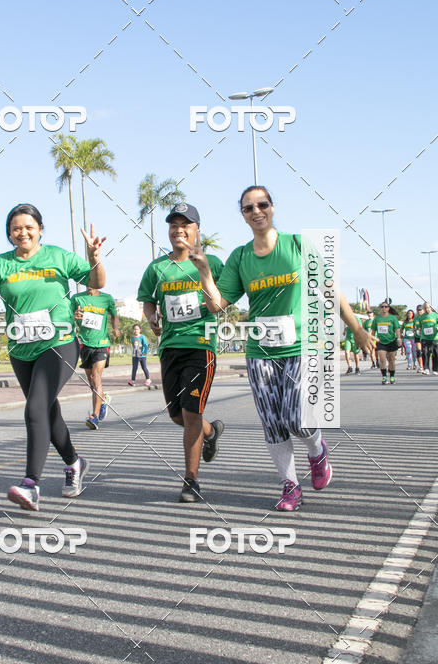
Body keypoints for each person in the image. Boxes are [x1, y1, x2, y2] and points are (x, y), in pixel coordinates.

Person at [190, 185, 372, 512]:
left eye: (262, 204)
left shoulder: (298, 245)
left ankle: (317, 450)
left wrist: (357, 329)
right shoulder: (241, 257)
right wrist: (204, 271)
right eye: (249, 207)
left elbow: (331, 289)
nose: (256, 211)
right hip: (261, 351)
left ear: (272, 208)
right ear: (243, 215)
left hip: (302, 345)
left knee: (297, 418)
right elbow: (218, 305)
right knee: (273, 423)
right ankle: (290, 486)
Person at [0, 204, 106, 510]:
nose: (23, 232)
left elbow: (97, 281)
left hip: (59, 343)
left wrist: (94, 258)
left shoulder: (58, 256)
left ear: (40, 229)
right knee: (47, 413)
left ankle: (31, 484)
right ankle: (74, 463)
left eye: (29, 226)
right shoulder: (0, 264)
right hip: (21, 349)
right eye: (16, 228)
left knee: (34, 408)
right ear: (9, 233)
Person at [137, 203, 225, 503]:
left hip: (200, 347)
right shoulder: (156, 268)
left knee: (191, 413)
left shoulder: (211, 261)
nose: (178, 229)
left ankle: (191, 481)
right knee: (177, 415)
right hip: (170, 348)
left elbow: (218, 305)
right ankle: (210, 432)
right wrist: (151, 317)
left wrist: (203, 270)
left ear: (196, 229)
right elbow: (148, 301)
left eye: (185, 224)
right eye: (173, 225)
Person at [71, 287, 120, 429]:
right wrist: (73, 316)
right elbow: (67, 316)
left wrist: (115, 328)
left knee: (96, 376)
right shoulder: (77, 298)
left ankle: (94, 416)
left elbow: (114, 315)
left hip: (102, 344)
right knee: (92, 381)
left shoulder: (107, 298)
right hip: (85, 344)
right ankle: (103, 400)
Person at [369, 302, 402, 384]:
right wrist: (371, 340)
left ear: (388, 308)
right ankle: (384, 377)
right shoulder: (377, 318)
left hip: (391, 341)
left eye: (385, 307)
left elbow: (397, 329)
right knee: (382, 360)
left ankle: (392, 377)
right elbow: (373, 331)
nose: (384, 308)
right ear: (380, 308)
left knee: (391, 360)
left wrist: (399, 338)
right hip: (381, 342)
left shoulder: (393, 318)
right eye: (382, 307)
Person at [418, 301, 438, 375]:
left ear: (430, 308)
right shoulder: (421, 317)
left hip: (434, 338)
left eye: (428, 307)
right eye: (425, 308)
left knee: (435, 353)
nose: (427, 309)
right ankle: (426, 368)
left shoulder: (435, 315)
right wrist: (420, 333)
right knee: (425, 353)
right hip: (425, 338)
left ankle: (435, 369)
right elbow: (420, 327)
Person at [414, 303, 425, 372]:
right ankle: (421, 366)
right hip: (417, 336)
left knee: (425, 352)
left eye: (420, 310)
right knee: (419, 351)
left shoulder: (425, 317)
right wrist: (414, 330)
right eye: (418, 310)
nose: (419, 311)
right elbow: (414, 326)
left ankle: (426, 366)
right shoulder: (415, 318)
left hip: (425, 337)